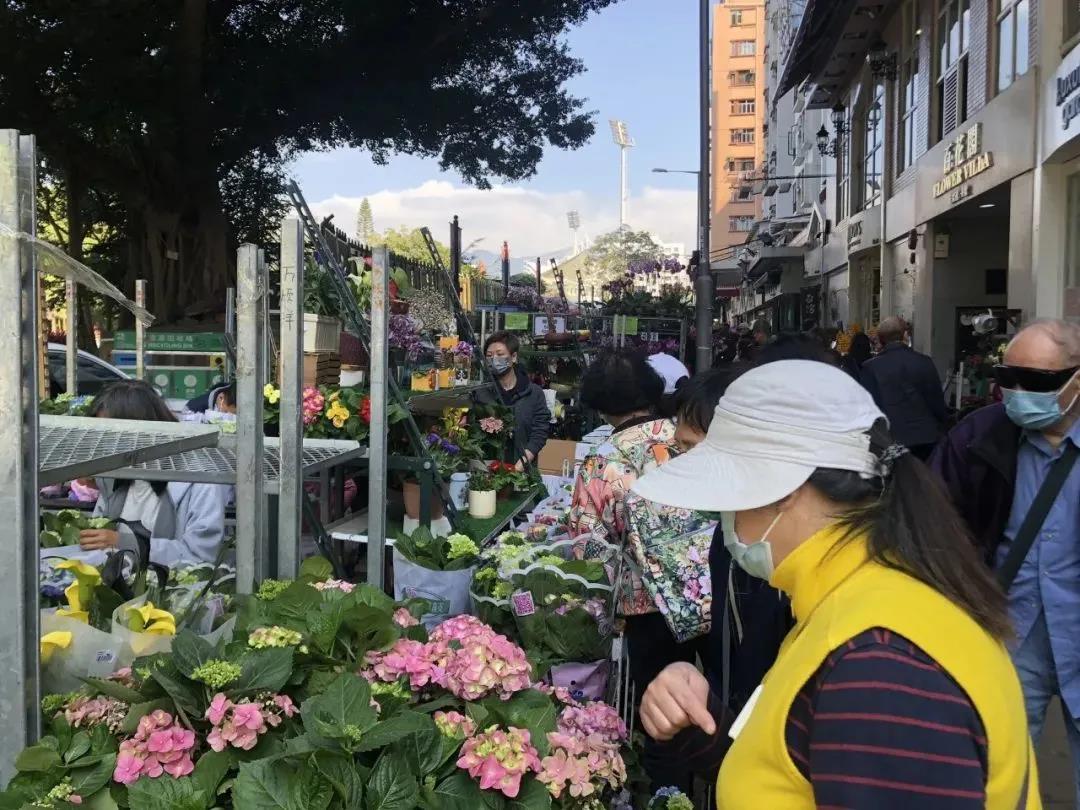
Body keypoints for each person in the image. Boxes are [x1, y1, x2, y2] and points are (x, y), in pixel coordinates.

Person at [633, 360, 1038, 809]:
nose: (726, 517)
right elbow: (808, 768)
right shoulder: (859, 603)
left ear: (783, 489)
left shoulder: (879, 661)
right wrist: (702, 724)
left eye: (731, 494)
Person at [931, 318, 1080, 804]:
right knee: (1000, 780)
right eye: (1006, 378)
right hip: (1008, 636)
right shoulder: (977, 438)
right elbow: (935, 527)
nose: (1016, 392)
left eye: (1035, 382)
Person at [567, 348, 709, 792]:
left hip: (648, 606)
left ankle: (671, 793)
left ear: (600, 404)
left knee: (662, 711)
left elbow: (587, 549)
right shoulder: (688, 436)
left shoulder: (599, 461)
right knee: (718, 695)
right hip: (715, 590)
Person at [79, 380, 231, 567]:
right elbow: (99, 539)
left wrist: (126, 543)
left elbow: (201, 555)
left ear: (140, 431)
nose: (107, 446)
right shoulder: (113, 477)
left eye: (112, 436)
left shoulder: (198, 478)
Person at [859, 316, 946, 459]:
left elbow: (869, 407)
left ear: (880, 340)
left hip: (890, 439)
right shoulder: (924, 362)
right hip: (926, 437)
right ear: (905, 335)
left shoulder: (871, 368)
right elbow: (936, 402)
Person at [472, 331, 550, 470]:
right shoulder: (481, 393)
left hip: (523, 472)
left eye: (500, 354)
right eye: (489, 356)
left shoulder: (534, 393)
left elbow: (539, 433)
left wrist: (518, 468)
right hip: (488, 470)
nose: (494, 359)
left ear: (513, 357)